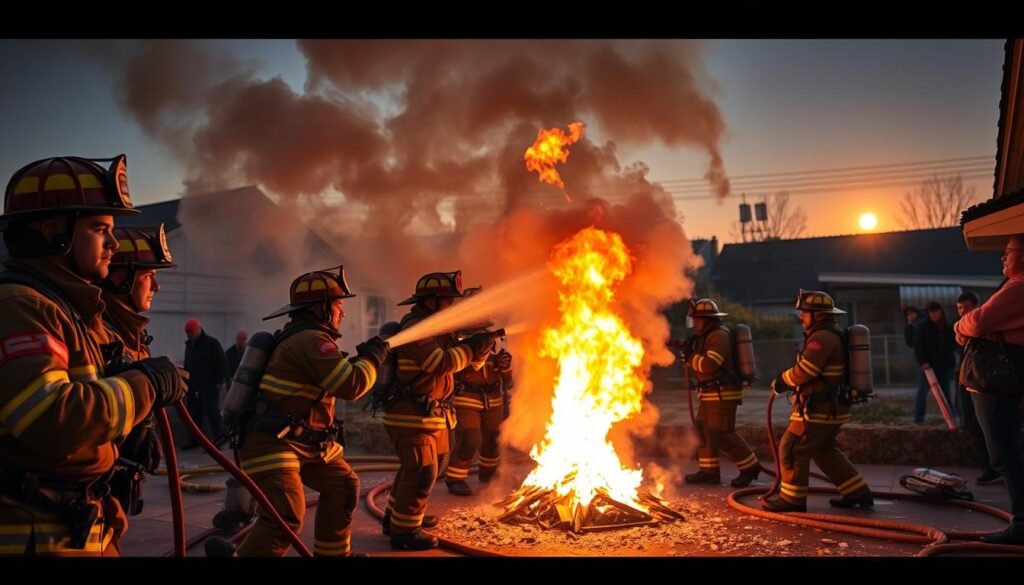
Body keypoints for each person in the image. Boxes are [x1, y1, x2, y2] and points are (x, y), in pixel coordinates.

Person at [0, 155, 185, 555]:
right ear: (56, 234)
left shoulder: (68, 311)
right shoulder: (21, 306)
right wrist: (145, 385)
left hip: (77, 522)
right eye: (101, 229)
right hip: (37, 535)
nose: (113, 244)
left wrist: (132, 431)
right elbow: (50, 417)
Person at [206, 266, 388, 557]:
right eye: (339, 304)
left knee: (343, 486)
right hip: (271, 443)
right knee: (286, 515)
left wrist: (364, 358)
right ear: (322, 308)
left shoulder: (305, 339)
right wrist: (373, 358)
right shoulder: (310, 340)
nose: (343, 312)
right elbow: (351, 384)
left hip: (302, 442)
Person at [381, 271, 494, 550]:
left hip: (433, 415)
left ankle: (397, 516)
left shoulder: (440, 330)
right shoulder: (416, 328)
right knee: (421, 470)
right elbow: (439, 363)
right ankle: (404, 533)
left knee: (429, 466)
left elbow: (461, 371)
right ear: (433, 301)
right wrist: (470, 348)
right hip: (410, 415)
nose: (453, 306)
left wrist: (480, 353)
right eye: (448, 300)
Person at [761, 289, 873, 513]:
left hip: (818, 409)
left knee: (793, 447)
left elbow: (805, 371)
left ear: (818, 315)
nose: (801, 317)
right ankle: (857, 492)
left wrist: (781, 381)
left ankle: (792, 500)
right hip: (832, 407)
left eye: (805, 313)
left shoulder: (821, 338)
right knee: (824, 450)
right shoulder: (832, 333)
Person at [954, 234, 1024, 545]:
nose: (1002, 258)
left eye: (1008, 251)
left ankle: (1022, 525)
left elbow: (980, 320)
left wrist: (961, 325)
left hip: (995, 384)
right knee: (1009, 451)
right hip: (1001, 382)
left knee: (1005, 455)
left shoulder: (1019, 287)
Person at [99, 224, 178, 489]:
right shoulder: (96, 332)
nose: (157, 286)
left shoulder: (131, 336)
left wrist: (146, 426)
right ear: (121, 279)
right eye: (149, 275)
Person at [676, 298, 760, 488]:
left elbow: (709, 365)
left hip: (723, 393)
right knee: (704, 430)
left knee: (723, 433)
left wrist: (691, 357)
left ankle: (750, 467)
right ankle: (709, 471)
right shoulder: (707, 335)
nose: (695, 324)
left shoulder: (718, 336)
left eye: (697, 320)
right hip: (709, 394)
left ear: (708, 319)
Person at [446, 287, 514, 496]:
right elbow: (456, 371)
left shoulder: (495, 337)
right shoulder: (457, 339)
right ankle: (455, 478)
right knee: (470, 438)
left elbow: (506, 376)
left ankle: (488, 473)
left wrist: (505, 367)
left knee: (492, 437)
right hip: (467, 397)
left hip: (493, 398)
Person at [954, 291, 999, 485]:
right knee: (972, 424)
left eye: (966, 307)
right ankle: (990, 467)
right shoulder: (965, 330)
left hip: (981, 384)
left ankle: (994, 468)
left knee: (988, 426)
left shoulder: (980, 324)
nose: (962, 311)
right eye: (959, 308)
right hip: (968, 382)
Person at [182, 318, 226, 447]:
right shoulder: (189, 346)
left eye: (191, 332)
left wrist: (219, 380)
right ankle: (195, 440)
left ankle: (219, 438)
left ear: (198, 329)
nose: (189, 335)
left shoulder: (212, 344)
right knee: (194, 414)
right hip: (194, 385)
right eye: (187, 332)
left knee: (212, 412)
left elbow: (221, 362)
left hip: (209, 385)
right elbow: (187, 364)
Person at [914, 300, 957, 422]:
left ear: (941, 312)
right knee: (922, 393)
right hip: (928, 366)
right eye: (931, 313)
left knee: (946, 392)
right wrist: (923, 362)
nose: (934, 315)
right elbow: (919, 347)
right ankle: (918, 418)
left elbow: (952, 345)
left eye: (936, 312)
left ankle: (950, 418)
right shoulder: (922, 327)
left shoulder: (947, 327)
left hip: (945, 364)